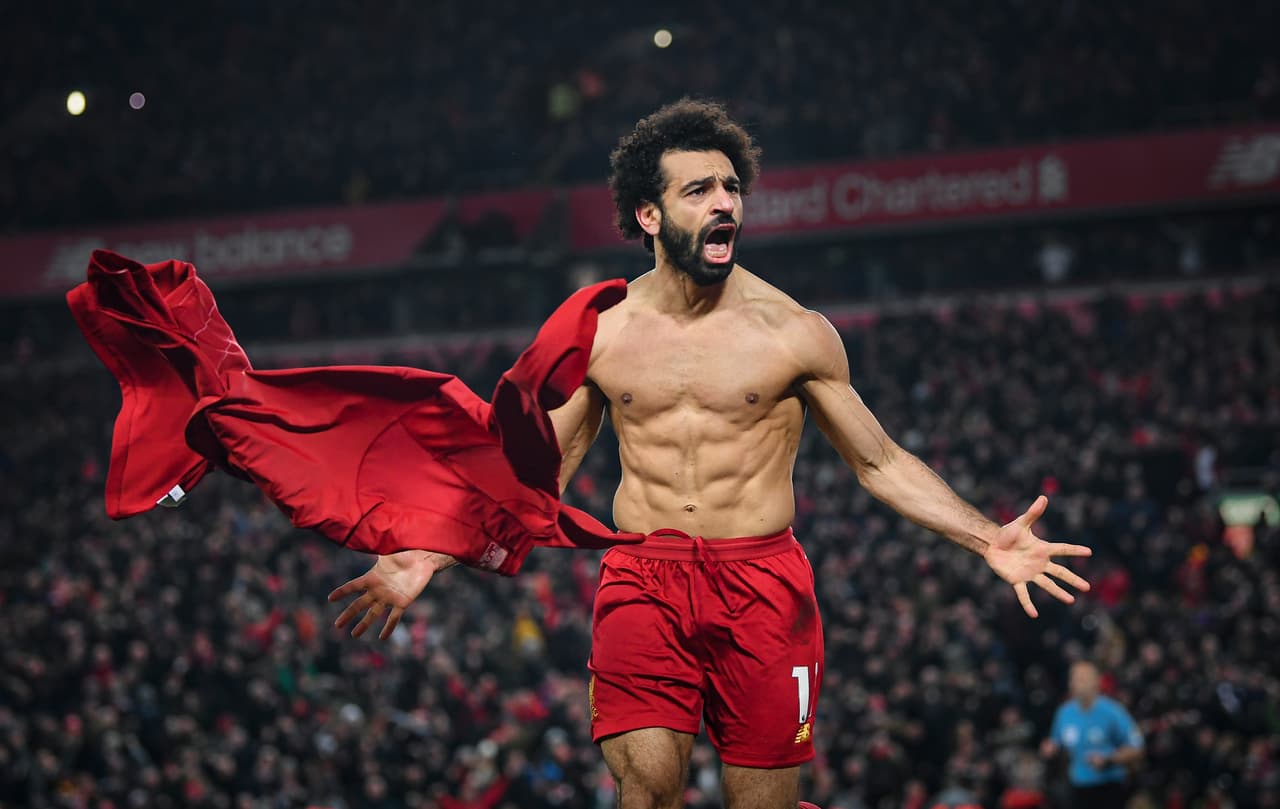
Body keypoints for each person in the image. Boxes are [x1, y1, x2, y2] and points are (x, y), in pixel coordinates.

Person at [329, 99, 1093, 809]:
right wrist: (428, 551)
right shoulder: (604, 331)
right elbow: (541, 475)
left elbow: (880, 461)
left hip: (762, 583)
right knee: (651, 787)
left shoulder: (793, 332)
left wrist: (983, 536)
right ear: (649, 214)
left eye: (732, 187)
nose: (724, 202)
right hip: (642, 574)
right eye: (699, 190)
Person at [1040, 661, 1143, 809]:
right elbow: (1056, 741)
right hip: (1078, 786)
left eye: (1082, 679)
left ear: (1096, 682)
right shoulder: (1064, 713)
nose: (1076, 684)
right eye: (1073, 679)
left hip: (1109, 786)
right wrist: (1050, 747)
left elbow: (1137, 748)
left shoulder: (1113, 712)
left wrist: (1109, 759)